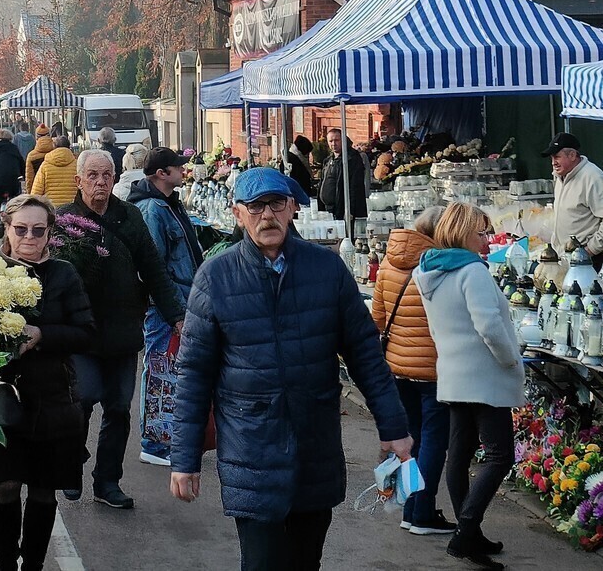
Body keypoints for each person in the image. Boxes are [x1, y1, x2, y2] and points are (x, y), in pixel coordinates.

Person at [170, 167, 411, 571]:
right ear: (238, 213)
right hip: (251, 448)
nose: (267, 215)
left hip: (314, 444)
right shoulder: (216, 277)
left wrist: (394, 428)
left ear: (293, 208)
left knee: (305, 562)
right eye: (255, 206)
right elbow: (193, 374)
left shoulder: (327, 270)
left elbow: (366, 355)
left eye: (276, 204)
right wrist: (183, 458)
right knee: (261, 563)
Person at [58, 149, 186, 509]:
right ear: (78, 180)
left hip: (123, 330)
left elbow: (154, 268)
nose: (101, 182)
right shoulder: (65, 221)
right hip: (81, 333)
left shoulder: (129, 216)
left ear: (115, 178)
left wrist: (177, 315)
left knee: (118, 408)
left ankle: (107, 481)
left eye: (107, 175)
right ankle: (69, 467)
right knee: (82, 400)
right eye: (93, 175)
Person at [0, 195, 94, 571]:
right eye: (21, 229)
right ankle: (6, 565)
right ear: (7, 228)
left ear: (50, 232)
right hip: (5, 398)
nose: (29, 237)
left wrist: (41, 333)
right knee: (5, 484)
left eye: (38, 230)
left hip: (54, 398)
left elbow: (85, 332)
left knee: (45, 488)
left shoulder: (64, 273)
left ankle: (32, 564)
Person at [415, 203, 524, 569]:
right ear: (463, 232)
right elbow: (489, 326)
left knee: (459, 455)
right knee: (499, 456)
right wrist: (510, 359)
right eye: (481, 232)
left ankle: (470, 534)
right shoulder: (472, 272)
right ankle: (465, 533)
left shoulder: (428, 271)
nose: (486, 239)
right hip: (485, 375)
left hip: (453, 371)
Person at [371, 205, 454, 536]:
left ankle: (409, 508)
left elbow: (376, 319)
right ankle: (422, 513)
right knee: (434, 441)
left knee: (413, 438)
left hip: (397, 367)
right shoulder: (440, 267)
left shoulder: (389, 263)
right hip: (433, 369)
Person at [127, 148, 202, 467]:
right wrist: (172, 311)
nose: (183, 171)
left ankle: (166, 438)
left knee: (170, 369)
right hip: (165, 307)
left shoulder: (166, 204)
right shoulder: (153, 209)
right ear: (161, 173)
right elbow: (152, 266)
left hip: (177, 301)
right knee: (160, 369)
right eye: (178, 167)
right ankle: (154, 443)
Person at [545, 132, 603, 269]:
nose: (553, 162)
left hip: (589, 260)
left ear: (572, 155)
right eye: (552, 158)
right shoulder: (559, 177)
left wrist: (590, 250)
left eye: (557, 157)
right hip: (566, 258)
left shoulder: (593, 177)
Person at [318, 127, 367, 220]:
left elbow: (355, 187)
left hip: (343, 209)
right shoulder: (328, 160)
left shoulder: (352, 159)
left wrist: (350, 211)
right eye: (330, 141)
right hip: (327, 210)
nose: (333, 143)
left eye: (336, 140)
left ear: (343, 140)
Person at [0, 128, 26, 235]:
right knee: (14, 202)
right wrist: (23, 175)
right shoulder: (13, 148)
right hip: (12, 179)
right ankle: (12, 224)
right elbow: (21, 162)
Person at [31, 135, 78, 207]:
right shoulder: (77, 165)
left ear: (54, 147)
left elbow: (37, 190)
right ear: (69, 147)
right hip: (73, 208)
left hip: (52, 208)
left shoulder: (45, 165)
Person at [24, 126, 54, 194]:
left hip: (38, 192)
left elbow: (29, 179)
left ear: (36, 137)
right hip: (54, 191)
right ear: (49, 135)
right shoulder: (56, 152)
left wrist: (30, 194)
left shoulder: (31, 155)